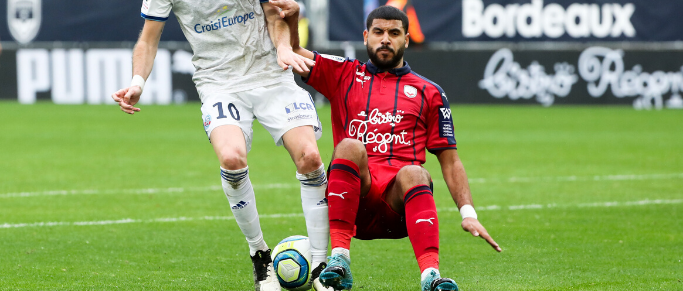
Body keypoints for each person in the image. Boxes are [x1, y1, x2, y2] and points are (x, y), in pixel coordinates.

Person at [111, 1, 330, 290]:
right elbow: (148, 39)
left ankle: (320, 266)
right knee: (231, 158)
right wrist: (137, 82)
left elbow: (275, 12)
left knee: (310, 158)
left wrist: (283, 46)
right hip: (219, 84)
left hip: (272, 74)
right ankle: (260, 255)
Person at [293, 6, 501, 291]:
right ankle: (339, 259)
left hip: (400, 209)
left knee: (415, 172)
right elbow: (292, 50)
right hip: (353, 201)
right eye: (378, 32)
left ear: (406, 39)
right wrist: (291, 18)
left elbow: (450, 161)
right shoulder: (343, 73)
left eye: (394, 33)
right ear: (366, 36)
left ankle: (431, 277)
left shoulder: (430, 92)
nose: (385, 39)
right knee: (350, 146)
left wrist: (469, 215)